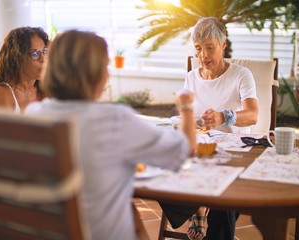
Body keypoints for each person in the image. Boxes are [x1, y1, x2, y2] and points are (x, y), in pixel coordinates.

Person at [24, 30, 196, 240]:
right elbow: (186, 149)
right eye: (105, 66)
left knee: (132, 215)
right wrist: (186, 105)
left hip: (51, 232)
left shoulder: (33, 115)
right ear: (95, 74)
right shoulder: (114, 120)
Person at [161, 17, 259, 240]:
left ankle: (202, 207)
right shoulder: (191, 78)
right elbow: (191, 120)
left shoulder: (241, 75)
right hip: (201, 151)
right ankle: (200, 206)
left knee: (224, 187)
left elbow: (253, 115)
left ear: (223, 45)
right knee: (162, 168)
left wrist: (223, 116)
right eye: (198, 49)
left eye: (209, 48)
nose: (203, 55)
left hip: (234, 155)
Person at [0, 27, 49, 114]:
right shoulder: (2, 93)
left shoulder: (44, 89)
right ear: (17, 58)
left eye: (44, 52)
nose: (43, 59)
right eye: (35, 54)